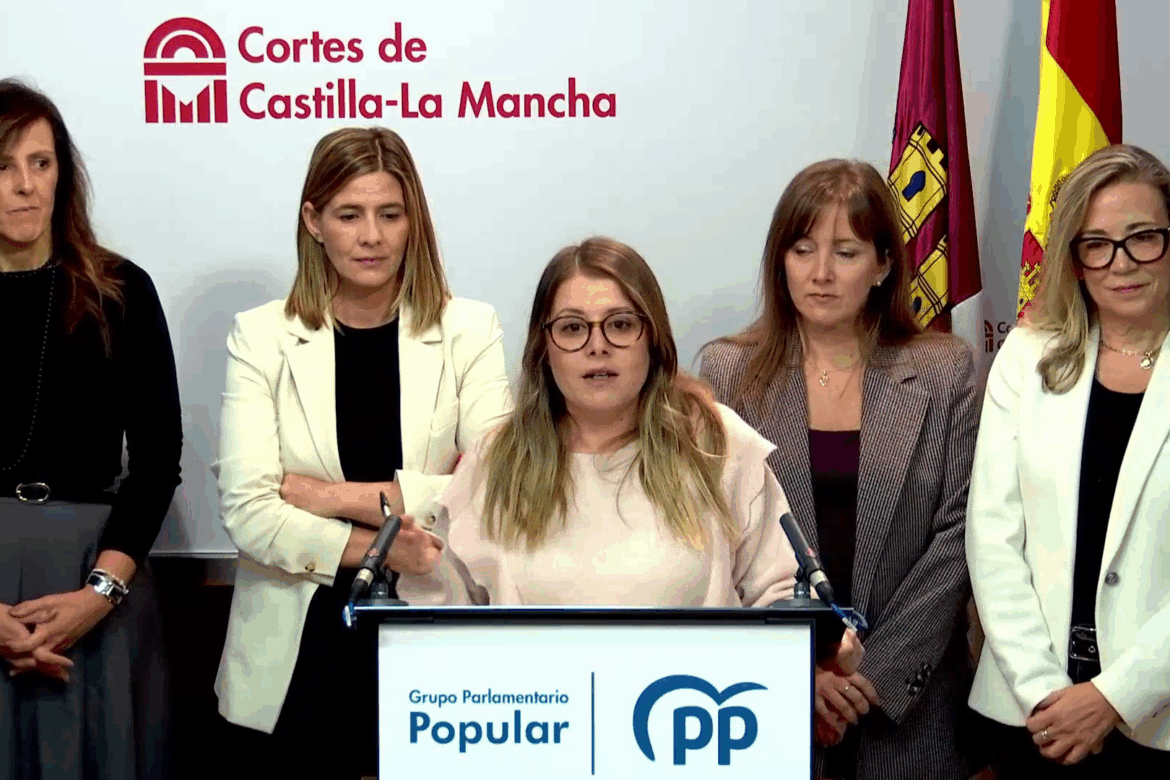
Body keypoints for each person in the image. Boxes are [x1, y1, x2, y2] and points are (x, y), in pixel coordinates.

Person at [212, 126, 513, 779]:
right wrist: (385, 545)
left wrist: (329, 497)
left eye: (389, 214)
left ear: (413, 221)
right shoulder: (261, 337)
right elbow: (249, 512)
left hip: (434, 636)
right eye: (349, 215)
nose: (371, 236)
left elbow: (496, 489)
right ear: (314, 222)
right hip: (297, 649)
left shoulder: (470, 330)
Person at [699, 159, 981, 779]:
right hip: (769, 700)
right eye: (802, 250)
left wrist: (868, 675)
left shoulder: (945, 372)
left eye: (846, 252)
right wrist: (801, 667)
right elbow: (720, 545)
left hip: (912, 709)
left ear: (883, 265)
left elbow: (960, 536)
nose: (821, 273)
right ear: (780, 261)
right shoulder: (727, 373)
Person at [439, 236, 801, 609]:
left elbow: (785, 595)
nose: (597, 345)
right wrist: (419, 569)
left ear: (653, 339)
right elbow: (449, 608)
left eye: (621, 324)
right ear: (543, 348)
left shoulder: (715, 442)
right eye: (572, 328)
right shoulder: (496, 458)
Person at [967, 144, 1170, 776]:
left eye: (1143, 238)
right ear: (1074, 260)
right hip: (1033, 717)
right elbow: (992, 537)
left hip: (1158, 721)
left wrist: (1116, 696)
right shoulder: (1028, 356)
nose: (1121, 262)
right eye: (1097, 244)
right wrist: (1045, 693)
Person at [0, 79, 182, 779]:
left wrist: (98, 595)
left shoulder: (120, 289)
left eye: (41, 163)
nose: (25, 185)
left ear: (63, 174)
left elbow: (159, 459)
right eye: (3, 166)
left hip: (96, 585)